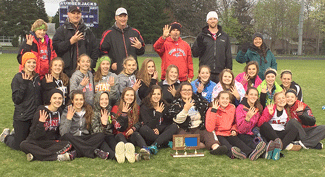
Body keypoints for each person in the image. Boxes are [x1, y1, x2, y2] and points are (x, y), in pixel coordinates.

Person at [166, 82, 227, 155]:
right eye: (184, 90)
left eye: (189, 90)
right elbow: (177, 121)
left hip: (198, 127)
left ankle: (215, 147)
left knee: (208, 133)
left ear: (192, 91)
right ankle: (202, 145)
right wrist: (185, 109)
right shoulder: (176, 103)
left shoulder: (199, 100)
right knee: (181, 139)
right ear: (180, 92)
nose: (187, 92)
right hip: (184, 129)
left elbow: (206, 113)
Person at [206, 91, 266, 160]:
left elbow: (235, 122)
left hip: (229, 133)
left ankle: (251, 153)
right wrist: (214, 111)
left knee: (239, 143)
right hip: (218, 134)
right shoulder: (211, 110)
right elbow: (210, 128)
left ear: (229, 100)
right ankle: (235, 154)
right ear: (218, 100)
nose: (225, 101)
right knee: (227, 145)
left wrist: (234, 129)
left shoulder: (232, 108)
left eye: (227, 99)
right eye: (222, 98)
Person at [1, 52, 42, 150]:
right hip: (22, 116)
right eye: (29, 62)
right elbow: (16, 99)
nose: (31, 65)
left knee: (33, 142)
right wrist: (24, 84)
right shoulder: (18, 78)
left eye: (33, 62)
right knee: (19, 145)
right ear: (24, 63)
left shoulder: (37, 78)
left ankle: (17, 132)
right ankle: (6, 137)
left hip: (34, 116)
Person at [19, 89, 74, 161]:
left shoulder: (60, 111)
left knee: (68, 144)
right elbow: (34, 135)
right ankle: (56, 157)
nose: (57, 100)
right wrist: (41, 123)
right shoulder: (41, 112)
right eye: (54, 98)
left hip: (51, 142)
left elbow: (59, 132)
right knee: (23, 144)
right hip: (38, 141)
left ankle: (36, 155)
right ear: (50, 99)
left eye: (60, 98)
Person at [60, 90, 109, 160]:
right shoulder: (66, 111)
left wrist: (103, 124)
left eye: (81, 99)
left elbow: (93, 130)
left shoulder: (88, 110)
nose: (79, 102)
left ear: (84, 101)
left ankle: (77, 152)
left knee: (100, 135)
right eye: (76, 99)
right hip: (73, 138)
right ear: (72, 101)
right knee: (66, 136)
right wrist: (68, 119)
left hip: (84, 138)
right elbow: (63, 133)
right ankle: (94, 151)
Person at [53, 5, 98, 77]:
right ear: (68, 14)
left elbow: (95, 49)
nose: (76, 15)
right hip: (66, 72)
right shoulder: (61, 30)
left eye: (78, 13)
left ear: (81, 15)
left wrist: (91, 64)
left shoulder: (87, 31)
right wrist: (70, 42)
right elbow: (56, 48)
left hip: (85, 71)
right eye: (73, 13)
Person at [99, 7, 145, 74]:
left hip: (133, 72)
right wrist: (111, 63)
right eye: (120, 16)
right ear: (116, 18)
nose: (123, 19)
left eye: (125, 16)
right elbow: (101, 51)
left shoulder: (135, 32)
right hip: (116, 72)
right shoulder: (108, 34)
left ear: (127, 17)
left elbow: (141, 52)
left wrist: (140, 48)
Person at [257, 92, 301, 160]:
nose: (281, 100)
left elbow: (287, 125)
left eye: (283, 98)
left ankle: (279, 147)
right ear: (275, 101)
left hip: (280, 133)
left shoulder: (286, 111)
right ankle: (283, 146)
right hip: (270, 133)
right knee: (265, 125)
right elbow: (260, 123)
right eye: (279, 99)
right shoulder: (270, 108)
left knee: (294, 129)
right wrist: (269, 114)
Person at [111, 87, 151, 162]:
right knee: (120, 136)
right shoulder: (116, 107)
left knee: (136, 134)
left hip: (130, 135)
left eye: (132, 95)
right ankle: (133, 154)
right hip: (119, 136)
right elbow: (117, 127)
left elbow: (141, 122)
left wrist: (133, 129)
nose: (129, 97)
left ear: (134, 97)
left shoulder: (137, 107)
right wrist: (124, 114)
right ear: (123, 96)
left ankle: (146, 150)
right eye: (127, 95)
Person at [191, 11, 232, 83]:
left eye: (214, 18)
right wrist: (200, 47)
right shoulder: (201, 36)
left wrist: (229, 70)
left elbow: (228, 54)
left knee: (220, 93)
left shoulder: (224, 36)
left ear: (217, 20)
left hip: (220, 72)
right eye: (210, 19)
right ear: (207, 21)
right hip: (206, 72)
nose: (212, 21)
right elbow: (195, 54)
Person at [139, 85, 178, 155]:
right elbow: (148, 124)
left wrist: (159, 129)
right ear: (149, 95)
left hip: (161, 132)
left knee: (174, 126)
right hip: (150, 133)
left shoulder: (164, 105)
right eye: (154, 94)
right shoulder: (144, 107)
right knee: (143, 129)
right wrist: (158, 113)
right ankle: (165, 143)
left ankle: (155, 145)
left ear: (161, 95)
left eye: (158, 94)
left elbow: (168, 122)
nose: (156, 96)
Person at [91, 91, 119, 160]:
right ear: (97, 100)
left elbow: (111, 128)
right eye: (101, 99)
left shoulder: (110, 109)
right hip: (98, 137)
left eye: (106, 99)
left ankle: (123, 154)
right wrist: (103, 125)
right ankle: (114, 156)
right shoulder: (94, 113)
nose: (104, 101)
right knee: (103, 142)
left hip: (109, 135)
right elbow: (96, 132)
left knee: (113, 142)